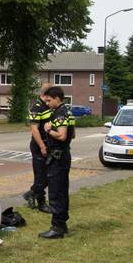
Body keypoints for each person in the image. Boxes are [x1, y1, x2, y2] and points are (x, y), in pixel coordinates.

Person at [38, 86, 75, 239]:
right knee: (62, 190)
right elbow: (72, 135)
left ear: (57, 99)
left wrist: (48, 130)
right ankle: (62, 223)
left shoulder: (60, 113)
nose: (47, 103)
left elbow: (62, 136)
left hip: (58, 158)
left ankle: (57, 227)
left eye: (49, 100)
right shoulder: (67, 110)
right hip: (63, 155)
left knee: (55, 192)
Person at [23, 81, 53, 213]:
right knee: (41, 175)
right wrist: (42, 146)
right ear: (46, 95)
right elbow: (34, 130)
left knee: (45, 175)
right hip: (39, 145)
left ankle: (32, 194)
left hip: (48, 144)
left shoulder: (48, 106)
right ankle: (39, 201)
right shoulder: (36, 107)